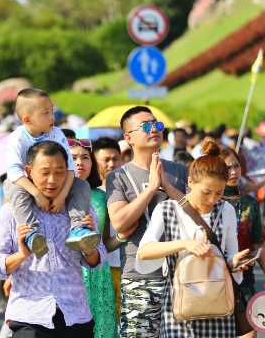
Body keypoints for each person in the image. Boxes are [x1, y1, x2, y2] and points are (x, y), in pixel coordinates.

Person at [0, 141, 107, 337]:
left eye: (60, 172)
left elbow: (97, 261)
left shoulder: (80, 209)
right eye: (45, 173)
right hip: (30, 317)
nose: (52, 180)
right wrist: (22, 255)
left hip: (76, 315)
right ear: (28, 171)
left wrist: (89, 247)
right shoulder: (11, 213)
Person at [136, 139, 251, 337]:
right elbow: (144, 251)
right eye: (206, 192)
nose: (213, 199)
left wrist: (235, 263)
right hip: (179, 309)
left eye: (219, 193)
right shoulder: (167, 209)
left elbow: (228, 257)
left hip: (218, 306)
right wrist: (185, 244)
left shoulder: (226, 210)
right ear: (190, 182)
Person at [107, 106, 188, 337]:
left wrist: (169, 188)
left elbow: (197, 217)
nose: (154, 129)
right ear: (128, 137)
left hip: (181, 273)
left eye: (157, 124)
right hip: (139, 275)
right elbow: (120, 223)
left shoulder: (180, 171)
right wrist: (152, 187)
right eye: (146, 126)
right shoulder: (118, 177)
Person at [5, 88, 97, 258]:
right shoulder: (17, 138)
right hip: (27, 185)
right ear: (27, 119)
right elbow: (13, 171)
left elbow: (70, 168)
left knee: (82, 185)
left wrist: (62, 195)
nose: (52, 118)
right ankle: (33, 234)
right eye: (45, 113)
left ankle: (78, 228)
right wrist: (36, 194)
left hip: (59, 183)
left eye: (52, 112)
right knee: (12, 186)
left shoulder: (57, 133)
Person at [220, 144, 265, 323]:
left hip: (246, 279)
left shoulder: (250, 203)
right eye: (228, 167)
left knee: (249, 332)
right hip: (216, 279)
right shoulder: (210, 203)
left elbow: (259, 244)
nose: (234, 171)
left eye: (236, 166)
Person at [70, 138, 120, 338]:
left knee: (102, 331)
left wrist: (123, 236)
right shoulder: (56, 197)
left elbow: (105, 243)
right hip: (71, 274)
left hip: (98, 273)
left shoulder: (101, 197)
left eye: (85, 157)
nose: (80, 162)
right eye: (73, 158)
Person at [92, 137, 125, 320]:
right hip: (103, 267)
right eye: (106, 160)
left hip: (128, 266)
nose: (112, 164)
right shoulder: (92, 195)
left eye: (116, 159)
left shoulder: (130, 191)